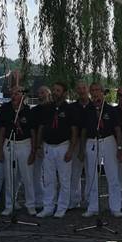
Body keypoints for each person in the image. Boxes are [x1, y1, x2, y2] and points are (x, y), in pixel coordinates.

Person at [81, 82, 122, 218]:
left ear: (102, 92)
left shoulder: (110, 110)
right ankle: (93, 207)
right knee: (91, 175)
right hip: (92, 141)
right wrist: (82, 149)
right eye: (92, 90)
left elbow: (118, 130)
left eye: (97, 90)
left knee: (113, 175)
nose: (95, 93)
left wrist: (119, 147)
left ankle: (115, 207)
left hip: (108, 141)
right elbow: (83, 131)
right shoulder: (87, 110)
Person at [36, 82, 78, 218]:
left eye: (58, 90)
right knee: (48, 179)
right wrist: (38, 146)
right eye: (53, 90)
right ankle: (48, 207)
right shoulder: (47, 108)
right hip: (48, 146)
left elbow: (74, 130)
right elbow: (41, 127)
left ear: (64, 93)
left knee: (64, 179)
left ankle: (62, 207)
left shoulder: (70, 109)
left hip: (63, 146)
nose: (55, 92)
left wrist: (71, 150)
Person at [0, 87, 37, 216]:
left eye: (17, 93)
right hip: (10, 143)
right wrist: (0, 149)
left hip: (25, 144)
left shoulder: (28, 111)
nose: (14, 96)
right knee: (9, 177)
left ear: (23, 96)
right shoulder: (5, 109)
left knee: (27, 177)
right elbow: (2, 130)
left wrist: (33, 151)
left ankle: (30, 205)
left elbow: (33, 132)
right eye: (12, 93)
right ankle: (10, 204)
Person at [69, 80, 91, 210]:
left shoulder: (94, 106)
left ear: (87, 89)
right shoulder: (72, 107)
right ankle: (74, 200)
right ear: (76, 91)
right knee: (74, 172)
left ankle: (89, 200)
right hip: (76, 141)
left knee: (90, 172)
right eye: (79, 88)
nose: (82, 91)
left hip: (90, 141)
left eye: (84, 88)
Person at [32, 85, 52, 210]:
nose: (41, 94)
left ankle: (51, 200)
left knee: (50, 174)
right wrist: (36, 145)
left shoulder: (53, 108)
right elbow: (34, 128)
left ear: (48, 94)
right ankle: (39, 199)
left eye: (43, 92)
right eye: (39, 92)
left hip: (51, 143)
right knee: (36, 173)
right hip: (37, 143)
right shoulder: (34, 110)